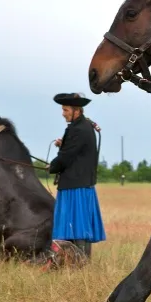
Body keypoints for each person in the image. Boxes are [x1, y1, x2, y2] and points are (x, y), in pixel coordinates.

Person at [48, 92, 106, 258]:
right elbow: (74, 151)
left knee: (77, 227)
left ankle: (79, 262)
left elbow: (66, 157)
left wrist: (51, 167)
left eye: (65, 110)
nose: (63, 113)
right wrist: (63, 144)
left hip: (75, 185)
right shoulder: (82, 126)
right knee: (79, 226)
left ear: (77, 111)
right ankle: (77, 262)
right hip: (79, 183)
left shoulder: (79, 129)